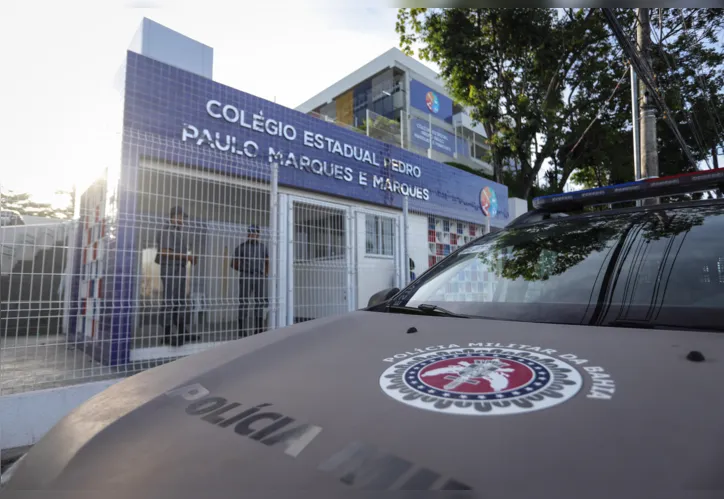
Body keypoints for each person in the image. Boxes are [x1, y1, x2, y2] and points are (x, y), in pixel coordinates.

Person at [156, 206, 199, 347]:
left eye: (183, 218)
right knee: (170, 301)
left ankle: (181, 331)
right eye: (180, 217)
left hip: (179, 268)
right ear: (173, 216)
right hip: (169, 269)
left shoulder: (179, 232)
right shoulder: (168, 229)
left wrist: (187, 258)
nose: (182, 220)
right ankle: (167, 335)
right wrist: (187, 257)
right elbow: (164, 252)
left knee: (180, 301)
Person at [231, 225, 269, 337]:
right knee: (244, 302)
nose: (253, 235)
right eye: (251, 233)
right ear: (248, 234)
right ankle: (242, 330)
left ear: (258, 234)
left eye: (255, 233)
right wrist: (243, 269)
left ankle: (259, 328)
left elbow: (267, 261)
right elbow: (234, 264)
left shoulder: (263, 247)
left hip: (259, 276)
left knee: (260, 302)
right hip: (246, 276)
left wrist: (265, 274)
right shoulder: (241, 247)